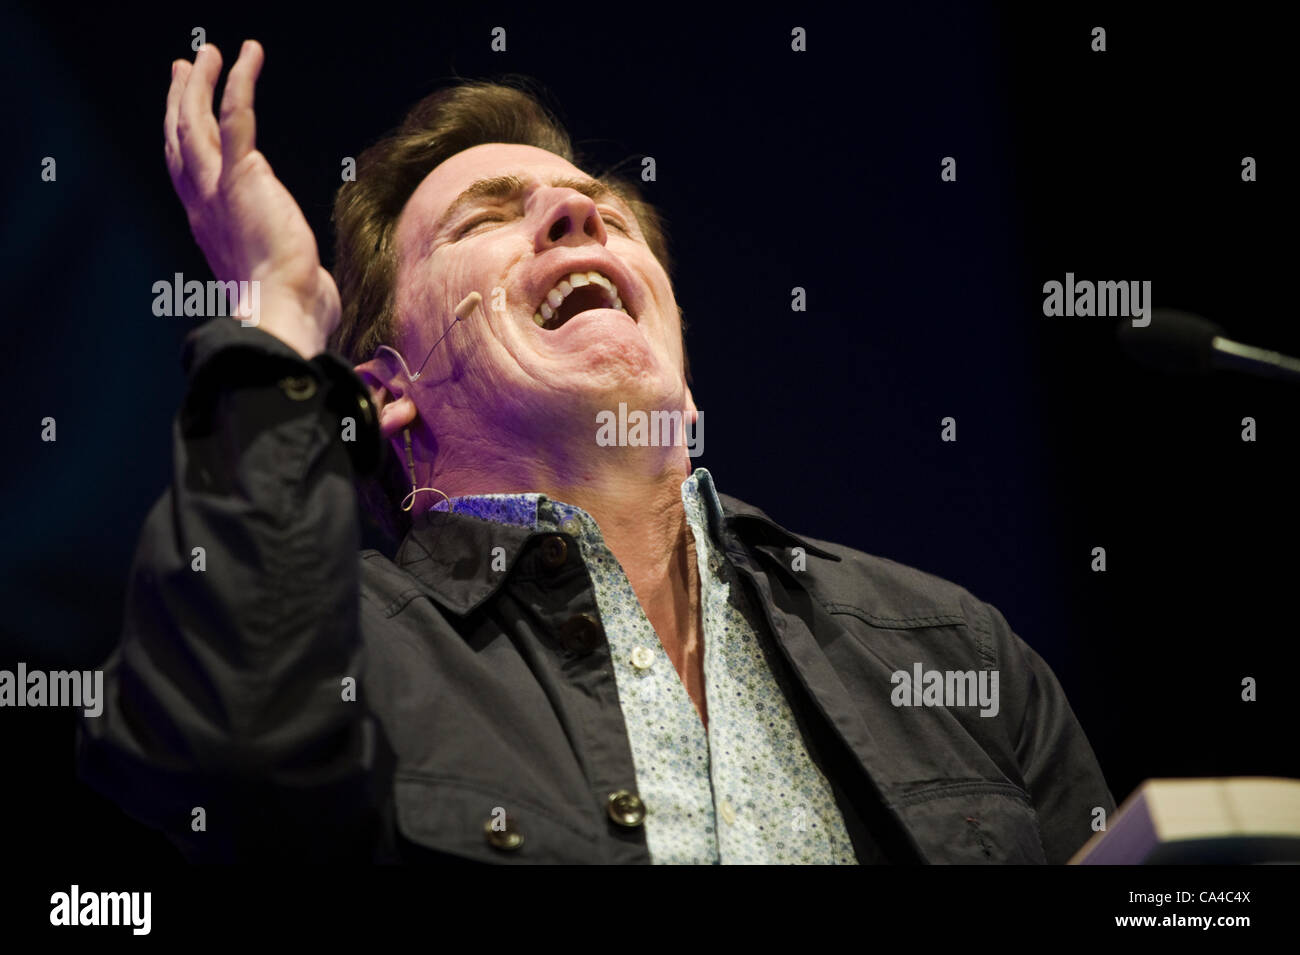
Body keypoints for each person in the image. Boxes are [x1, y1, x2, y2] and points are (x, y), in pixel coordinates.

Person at [78, 39, 1114, 864]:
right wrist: (272, 319)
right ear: (388, 394)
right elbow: (205, 738)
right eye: (487, 216)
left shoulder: (950, 649)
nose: (577, 211)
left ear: (681, 370)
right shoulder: (344, 653)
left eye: (605, 213)